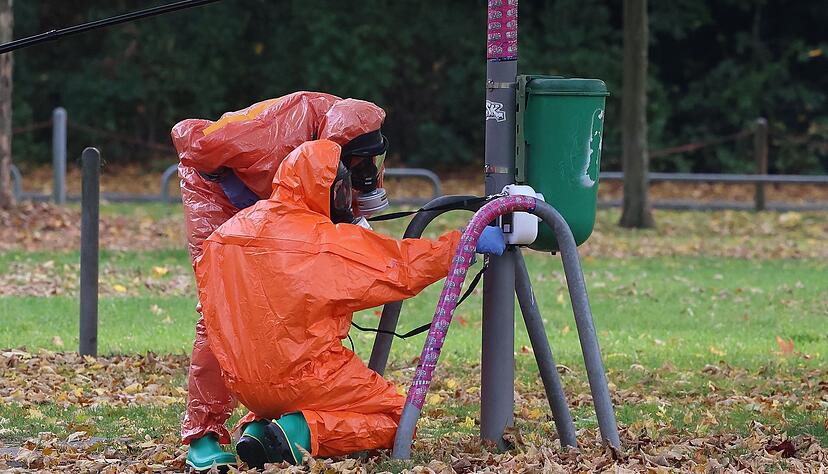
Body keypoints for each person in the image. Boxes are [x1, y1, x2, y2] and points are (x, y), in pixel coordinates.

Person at [195, 139, 506, 468]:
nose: (348, 201)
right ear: (325, 189)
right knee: (400, 418)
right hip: (308, 377)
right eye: (342, 191)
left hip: (243, 383)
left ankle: (260, 433)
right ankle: (300, 432)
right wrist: (464, 244)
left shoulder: (224, 235)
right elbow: (400, 268)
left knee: (304, 397)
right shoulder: (324, 241)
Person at [171, 92, 393, 472]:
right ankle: (203, 433)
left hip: (272, 207)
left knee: (289, 302)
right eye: (359, 163)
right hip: (218, 201)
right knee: (222, 310)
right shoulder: (275, 130)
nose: (367, 171)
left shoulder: (352, 133)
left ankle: (268, 420)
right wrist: (247, 199)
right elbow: (190, 140)